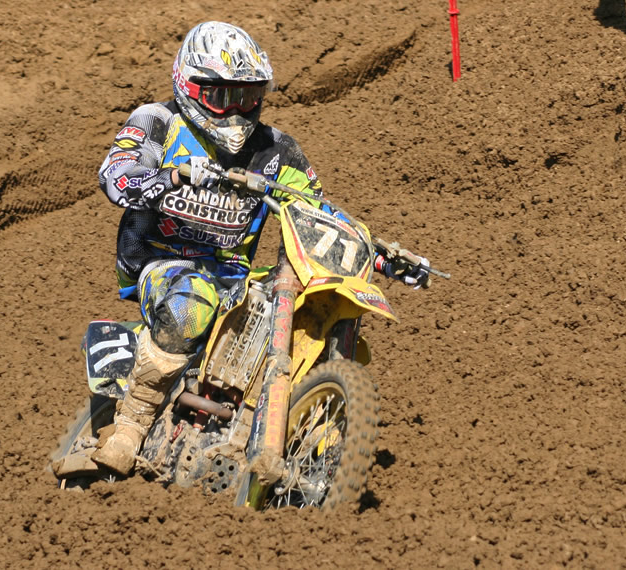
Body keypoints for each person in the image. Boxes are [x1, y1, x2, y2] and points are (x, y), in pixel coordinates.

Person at [91, 21, 429, 476]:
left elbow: (317, 212)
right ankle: (130, 426)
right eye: (223, 96)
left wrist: (380, 255)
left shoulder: (277, 150)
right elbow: (116, 174)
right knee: (192, 300)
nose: (236, 111)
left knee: (311, 307)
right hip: (162, 262)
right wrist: (171, 175)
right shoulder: (158, 121)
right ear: (190, 86)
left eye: (248, 97)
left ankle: (300, 426)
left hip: (233, 275)